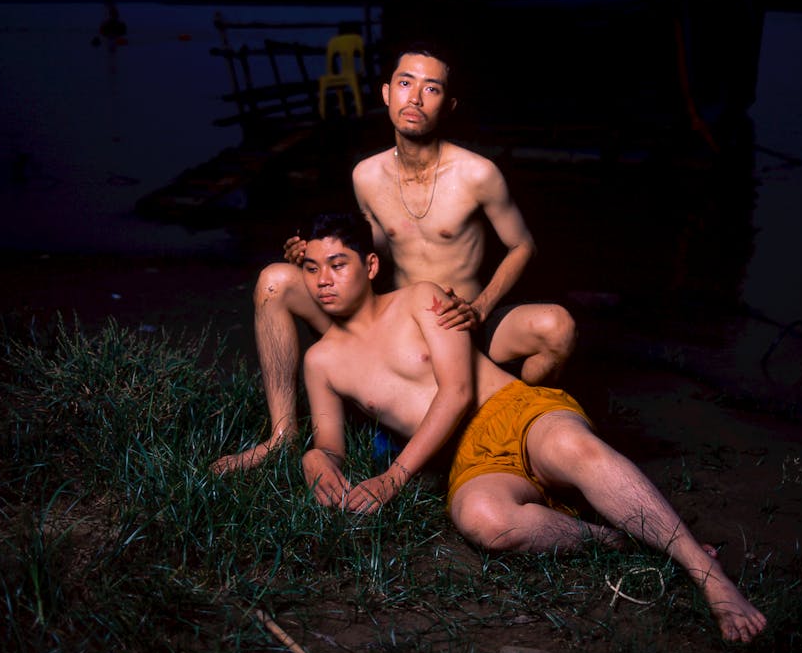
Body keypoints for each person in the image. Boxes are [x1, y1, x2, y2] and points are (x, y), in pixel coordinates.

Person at [296, 213, 767, 645]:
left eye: (338, 264)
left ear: (371, 265)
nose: (324, 281)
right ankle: (619, 540)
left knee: (572, 445)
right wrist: (315, 457)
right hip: (469, 458)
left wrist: (393, 477)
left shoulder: (419, 298)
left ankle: (706, 573)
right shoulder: (321, 360)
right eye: (312, 269)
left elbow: (457, 391)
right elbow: (330, 443)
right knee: (483, 519)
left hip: (513, 409)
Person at [211, 42, 577, 474]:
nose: (415, 98)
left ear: (448, 104)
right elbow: (375, 251)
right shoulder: (366, 175)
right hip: (395, 328)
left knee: (557, 327)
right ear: (387, 93)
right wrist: (311, 253)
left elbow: (523, 246)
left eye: (431, 88)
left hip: (461, 321)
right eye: (405, 83)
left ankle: (528, 414)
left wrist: (480, 308)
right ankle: (281, 436)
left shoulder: (478, 174)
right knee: (275, 281)